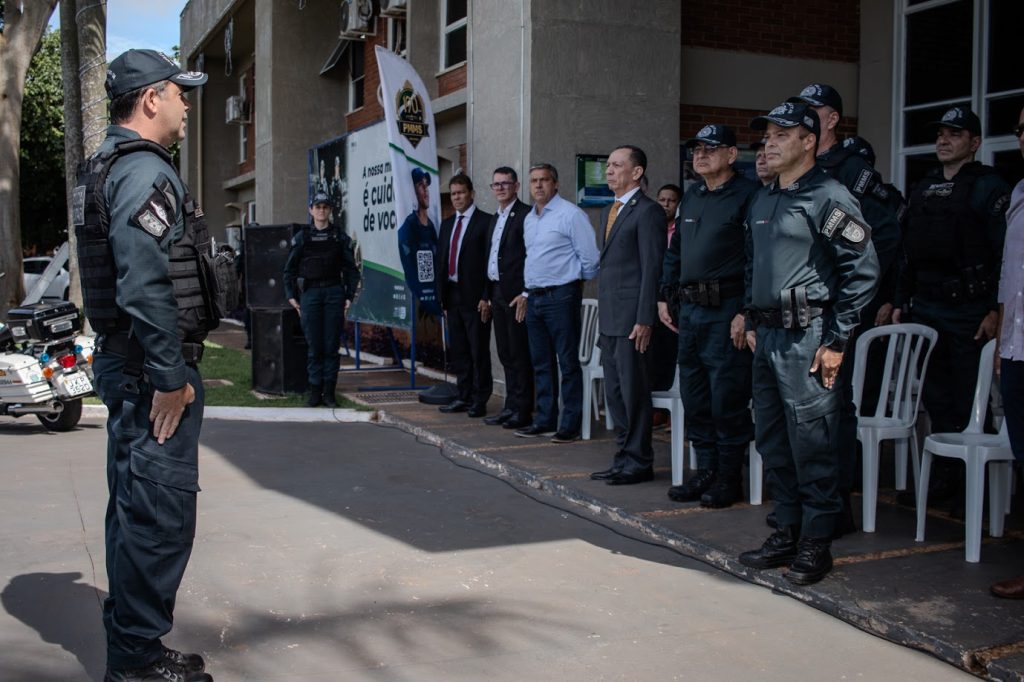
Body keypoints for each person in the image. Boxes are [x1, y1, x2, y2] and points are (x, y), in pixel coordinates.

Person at [73, 49, 215, 682]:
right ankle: (135, 664)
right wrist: (169, 377)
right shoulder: (142, 171)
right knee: (157, 518)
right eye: (180, 93)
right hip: (148, 369)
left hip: (127, 362)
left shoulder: (105, 165)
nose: (187, 105)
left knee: (135, 512)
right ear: (151, 98)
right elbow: (143, 281)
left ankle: (136, 650)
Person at [739, 103, 879, 585]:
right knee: (774, 441)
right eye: (766, 136)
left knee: (813, 442)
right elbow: (752, 266)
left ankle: (817, 542)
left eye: (782, 134)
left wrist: (837, 340)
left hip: (810, 337)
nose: (769, 143)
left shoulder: (829, 195)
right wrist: (750, 314)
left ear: (810, 141)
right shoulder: (763, 199)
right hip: (769, 337)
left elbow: (862, 272)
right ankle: (788, 531)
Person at [788, 84, 904, 534]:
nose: (804, 117)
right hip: (800, 313)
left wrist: (853, 294)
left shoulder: (851, 170)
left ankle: (836, 507)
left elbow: (881, 238)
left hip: (834, 311)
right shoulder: (803, 171)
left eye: (811, 110)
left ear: (831, 120)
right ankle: (808, 504)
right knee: (803, 410)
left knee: (832, 405)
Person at [889, 107, 1010, 508]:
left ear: (974, 143)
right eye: (940, 134)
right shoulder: (923, 187)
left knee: (969, 399)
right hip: (926, 306)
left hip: (968, 310)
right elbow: (906, 251)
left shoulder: (989, 187)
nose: (943, 140)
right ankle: (946, 478)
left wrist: (996, 310)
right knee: (936, 397)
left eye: (954, 134)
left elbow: (1004, 255)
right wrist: (900, 300)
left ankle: (976, 485)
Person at [658, 124, 757, 508]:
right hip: (691, 312)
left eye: (710, 149)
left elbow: (756, 259)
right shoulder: (693, 197)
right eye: (697, 149)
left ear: (731, 155)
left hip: (726, 311)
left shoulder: (750, 196)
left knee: (726, 400)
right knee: (696, 397)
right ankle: (707, 472)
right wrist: (666, 295)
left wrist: (746, 311)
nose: (700, 155)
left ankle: (730, 479)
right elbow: (675, 251)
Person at [588, 146, 665, 485]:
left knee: (633, 393)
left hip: (633, 320)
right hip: (610, 319)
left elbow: (652, 268)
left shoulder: (647, 211)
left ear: (636, 173)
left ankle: (639, 461)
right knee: (616, 393)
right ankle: (623, 456)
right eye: (608, 165)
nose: (609, 171)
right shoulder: (610, 210)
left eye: (617, 165)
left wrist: (645, 318)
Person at [514, 163, 600, 441]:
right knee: (541, 363)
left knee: (567, 362)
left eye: (544, 180)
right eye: (534, 181)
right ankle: (545, 419)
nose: (538, 185)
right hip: (535, 298)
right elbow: (533, 259)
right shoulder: (530, 219)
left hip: (562, 296)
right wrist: (527, 292)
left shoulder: (571, 215)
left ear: (556, 184)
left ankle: (569, 425)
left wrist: (572, 284)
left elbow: (590, 259)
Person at [283, 192, 360, 407]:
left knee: (330, 346)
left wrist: (349, 296)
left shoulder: (339, 237)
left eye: (325, 207)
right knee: (314, 346)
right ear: (311, 210)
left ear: (330, 210)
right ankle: (315, 393)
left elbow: (352, 270)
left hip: (334, 293)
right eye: (317, 206)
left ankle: (329, 393)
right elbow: (288, 270)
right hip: (311, 295)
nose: (321, 210)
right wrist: (291, 296)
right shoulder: (302, 237)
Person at [990, 108, 1024, 599]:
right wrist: (1001, 338)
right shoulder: (1018, 192)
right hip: (1017, 348)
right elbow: (1009, 271)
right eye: (1020, 129)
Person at [436, 174, 494, 417]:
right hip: (452, 294)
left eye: (461, 192)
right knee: (459, 350)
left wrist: (486, 296)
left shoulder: (486, 222)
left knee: (478, 350)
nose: (457, 197)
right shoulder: (447, 224)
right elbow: (441, 260)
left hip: (476, 297)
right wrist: (442, 298)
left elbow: (491, 262)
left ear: (471, 193)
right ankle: (464, 395)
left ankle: (480, 399)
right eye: (453, 193)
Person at [483, 167, 534, 429]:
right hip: (496, 293)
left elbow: (531, 256)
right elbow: (490, 257)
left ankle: (522, 410)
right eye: (496, 184)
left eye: (506, 183)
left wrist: (526, 292)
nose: (501, 188)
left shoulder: (526, 215)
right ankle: (510, 407)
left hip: (516, 296)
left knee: (519, 354)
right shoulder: (495, 218)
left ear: (516, 186)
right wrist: (486, 295)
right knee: (504, 353)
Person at [650, 183, 683, 395]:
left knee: (671, 350)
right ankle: (657, 407)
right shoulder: (652, 226)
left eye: (671, 200)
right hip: (653, 296)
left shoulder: (680, 229)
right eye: (662, 199)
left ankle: (673, 405)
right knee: (655, 352)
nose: (666, 204)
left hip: (674, 296)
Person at [397, 168, 441, 313]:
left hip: (435, 300)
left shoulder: (432, 226)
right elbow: (408, 268)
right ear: (413, 191)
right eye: (421, 186)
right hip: (417, 304)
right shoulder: (408, 226)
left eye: (426, 185)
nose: (426, 190)